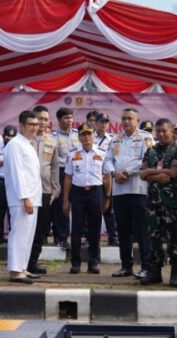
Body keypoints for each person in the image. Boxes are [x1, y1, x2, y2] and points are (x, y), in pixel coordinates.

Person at [139, 119, 177, 286]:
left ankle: (175, 272)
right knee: (154, 237)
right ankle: (155, 272)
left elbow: (173, 173)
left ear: (172, 131)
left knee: (174, 238)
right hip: (153, 202)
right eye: (158, 131)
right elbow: (141, 174)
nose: (161, 134)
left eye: (164, 131)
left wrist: (150, 172)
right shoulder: (151, 150)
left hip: (172, 202)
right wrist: (156, 176)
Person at [109, 108, 154, 278]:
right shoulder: (115, 139)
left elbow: (147, 160)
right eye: (124, 118)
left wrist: (127, 172)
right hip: (119, 191)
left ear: (137, 120)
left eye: (130, 118)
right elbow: (107, 160)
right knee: (123, 230)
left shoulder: (145, 138)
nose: (126, 121)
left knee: (142, 230)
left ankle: (146, 266)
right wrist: (114, 173)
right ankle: (126, 266)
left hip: (138, 189)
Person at [62, 124, 112, 274]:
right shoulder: (73, 154)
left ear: (94, 135)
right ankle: (75, 263)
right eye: (83, 134)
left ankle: (93, 262)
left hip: (96, 192)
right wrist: (65, 199)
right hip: (78, 193)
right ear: (79, 137)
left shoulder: (102, 153)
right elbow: (68, 177)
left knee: (94, 229)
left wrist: (107, 197)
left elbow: (107, 177)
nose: (86, 137)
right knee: (76, 229)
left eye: (89, 134)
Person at [4, 111, 42, 284]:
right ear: (21, 125)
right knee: (19, 234)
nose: (34, 127)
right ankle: (15, 271)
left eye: (36, 124)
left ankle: (22, 267)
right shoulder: (15, 145)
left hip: (32, 197)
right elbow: (17, 173)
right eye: (31, 124)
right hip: (22, 198)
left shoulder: (28, 144)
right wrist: (25, 198)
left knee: (27, 236)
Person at [27, 105, 61, 275]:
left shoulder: (52, 142)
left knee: (41, 229)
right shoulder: (25, 141)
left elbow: (54, 167)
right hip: (28, 192)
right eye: (39, 118)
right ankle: (22, 261)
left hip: (46, 191)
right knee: (27, 229)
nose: (42, 122)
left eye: (45, 119)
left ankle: (33, 262)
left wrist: (56, 190)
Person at [52, 107, 80, 250]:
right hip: (61, 172)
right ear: (59, 119)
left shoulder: (78, 135)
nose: (69, 120)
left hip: (78, 172)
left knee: (78, 205)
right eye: (66, 117)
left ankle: (78, 238)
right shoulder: (53, 137)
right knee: (61, 206)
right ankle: (61, 238)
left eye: (71, 117)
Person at [94, 111, 119, 246]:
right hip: (93, 177)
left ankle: (112, 236)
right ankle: (91, 237)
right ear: (95, 123)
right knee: (93, 208)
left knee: (109, 208)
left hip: (108, 177)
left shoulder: (113, 140)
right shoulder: (90, 137)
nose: (103, 124)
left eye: (106, 122)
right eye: (101, 122)